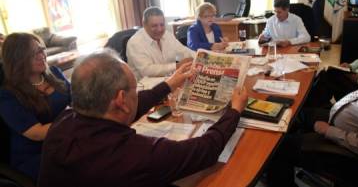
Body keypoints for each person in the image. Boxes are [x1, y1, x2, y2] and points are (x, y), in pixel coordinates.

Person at [38, 49, 248, 187]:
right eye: (134, 89)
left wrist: (168, 85)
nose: (136, 95)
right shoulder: (134, 155)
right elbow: (205, 150)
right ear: (121, 99)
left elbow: (130, 108)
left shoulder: (62, 121)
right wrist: (235, 111)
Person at [265, 24, 358, 187]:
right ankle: (288, 156)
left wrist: (327, 130)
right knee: (296, 114)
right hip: (341, 122)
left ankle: (284, 162)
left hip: (348, 150)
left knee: (276, 149)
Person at [0, 33, 70, 180]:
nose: (41, 55)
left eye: (41, 49)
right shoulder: (7, 94)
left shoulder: (55, 73)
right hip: (38, 154)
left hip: (67, 138)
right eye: (33, 53)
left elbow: (78, 99)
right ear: (17, 59)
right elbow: (37, 133)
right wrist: (74, 119)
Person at [126, 6, 195, 80]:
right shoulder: (135, 43)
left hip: (168, 81)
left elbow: (181, 51)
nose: (159, 29)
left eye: (162, 25)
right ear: (144, 24)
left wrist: (200, 57)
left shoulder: (167, 35)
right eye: (154, 26)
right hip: (145, 87)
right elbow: (147, 71)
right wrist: (177, 65)